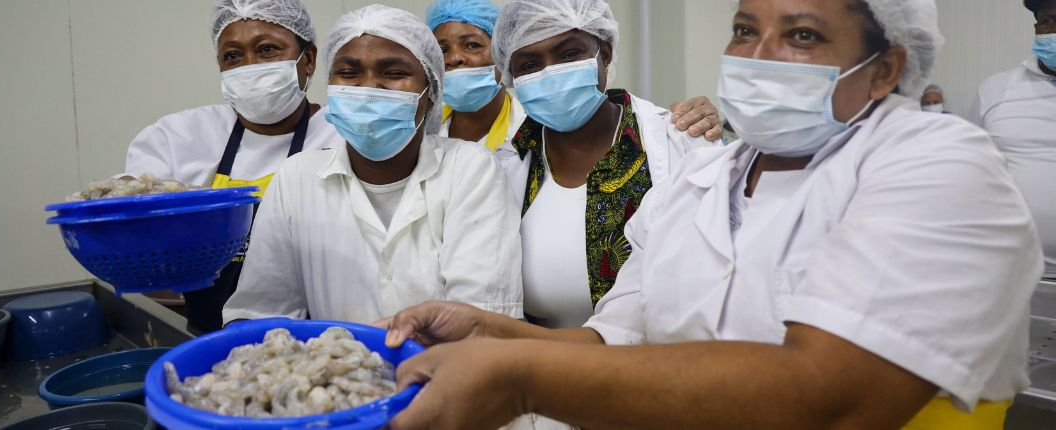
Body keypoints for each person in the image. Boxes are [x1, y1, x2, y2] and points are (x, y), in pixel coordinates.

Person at [379, 1, 1043, 429]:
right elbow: (611, 340)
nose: (757, 57)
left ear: (884, 68)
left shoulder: (941, 164)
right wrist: (485, 333)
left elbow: (835, 395)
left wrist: (519, 377)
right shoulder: (704, 177)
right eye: (746, 30)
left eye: (803, 36)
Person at [222, 4, 523, 325]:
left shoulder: (470, 170)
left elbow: (481, 320)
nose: (368, 87)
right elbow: (260, 313)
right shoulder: (297, 177)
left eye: (394, 73)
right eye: (349, 73)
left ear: (431, 92)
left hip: (449, 370)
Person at [121, 0, 339, 334]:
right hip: (205, 335)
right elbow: (138, 218)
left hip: (325, 333)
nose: (249, 66)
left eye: (267, 49)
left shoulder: (341, 137)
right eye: (232, 56)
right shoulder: (179, 137)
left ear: (307, 59)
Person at [424, 0, 724, 206]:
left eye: (569, 55)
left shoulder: (679, 140)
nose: (551, 72)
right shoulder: (508, 163)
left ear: (604, 54)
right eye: (529, 65)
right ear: (510, 75)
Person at [969, 0, 1056, 280]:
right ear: (1036, 28)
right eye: (1048, 21)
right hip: (1012, 274)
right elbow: (971, 174)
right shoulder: (995, 90)